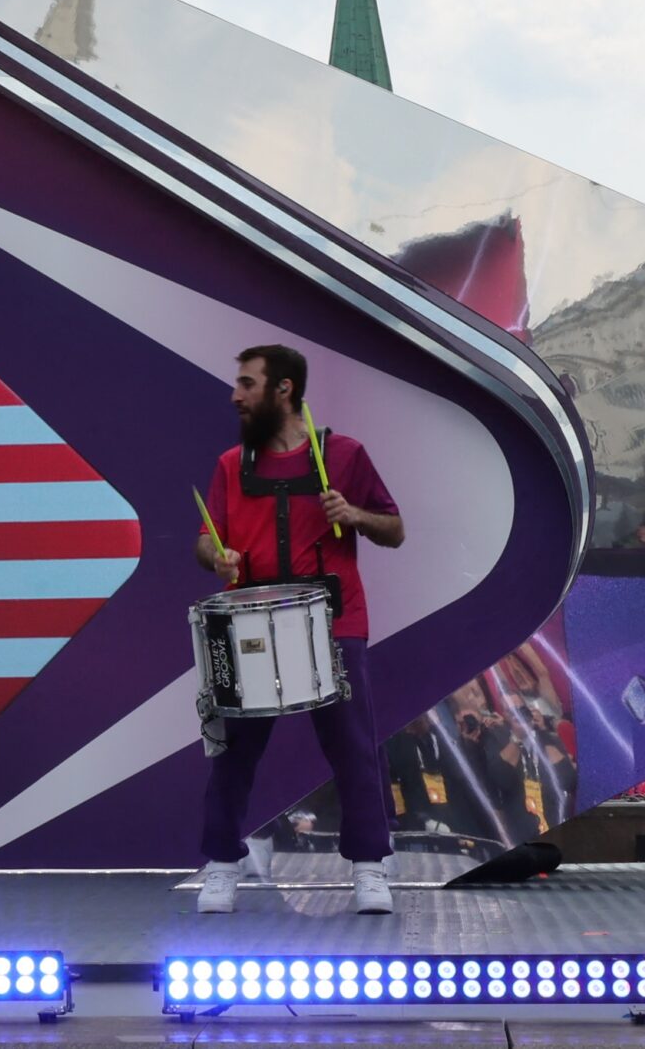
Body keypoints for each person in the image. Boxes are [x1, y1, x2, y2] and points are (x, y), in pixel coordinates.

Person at [194, 343, 405, 916]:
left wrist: (355, 515)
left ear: (283, 389)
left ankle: (368, 866)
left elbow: (394, 529)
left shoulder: (345, 455)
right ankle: (222, 865)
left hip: (334, 619)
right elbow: (206, 539)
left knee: (354, 747)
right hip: (252, 621)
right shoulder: (230, 464)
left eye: (247, 383)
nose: (235, 395)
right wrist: (218, 556)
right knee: (233, 751)